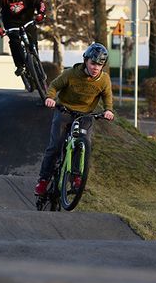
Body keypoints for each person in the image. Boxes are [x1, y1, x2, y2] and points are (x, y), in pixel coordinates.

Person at [34, 43, 115, 196]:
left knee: (83, 144)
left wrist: (108, 110)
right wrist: (50, 98)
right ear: (86, 61)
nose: (96, 67)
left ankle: (77, 178)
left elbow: (107, 97)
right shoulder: (71, 74)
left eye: (100, 64)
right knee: (55, 146)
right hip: (65, 111)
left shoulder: (104, 80)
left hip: (85, 116)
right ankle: (43, 180)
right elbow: (54, 86)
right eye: (93, 63)